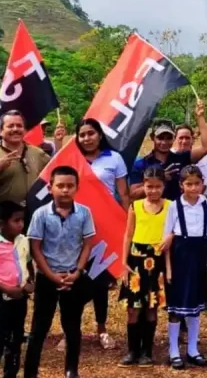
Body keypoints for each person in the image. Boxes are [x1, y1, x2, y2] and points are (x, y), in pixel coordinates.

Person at [0, 110, 51, 341]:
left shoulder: (37, 153)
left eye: (19, 125)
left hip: (28, 218)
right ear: (0, 130)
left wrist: (59, 142)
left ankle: (16, 326)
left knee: (22, 270)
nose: (15, 130)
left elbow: (52, 175)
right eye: (9, 126)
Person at [24, 166, 95, 378]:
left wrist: (78, 271)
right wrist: (50, 274)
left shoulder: (84, 212)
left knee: (72, 326)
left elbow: (87, 244)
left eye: (70, 186)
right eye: (60, 186)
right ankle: (30, 371)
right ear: (50, 187)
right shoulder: (41, 214)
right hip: (48, 278)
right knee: (39, 328)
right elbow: (35, 247)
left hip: (73, 278)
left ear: (77, 188)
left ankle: (71, 369)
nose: (65, 190)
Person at [72, 118, 130, 350]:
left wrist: (127, 226)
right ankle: (70, 329)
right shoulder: (72, 159)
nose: (87, 138)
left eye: (91, 133)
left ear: (99, 135)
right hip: (75, 228)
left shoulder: (114, 158)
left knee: (100, 281)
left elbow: (123, 194)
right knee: (74, 279)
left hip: (105, 229)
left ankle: (101, 328)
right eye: (82, 134)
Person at [118, 167, 169, 367]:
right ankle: (132, 350)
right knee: (133, 309)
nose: (153, 191)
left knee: (151, 308)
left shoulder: (170, 206)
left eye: (158, 187)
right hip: (136, 262)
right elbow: (128, 235)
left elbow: (172, 230)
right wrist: (124, 262)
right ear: (143, 185)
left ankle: (147, 351)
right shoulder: (136, 206)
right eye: (149, 186)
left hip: (157, 262)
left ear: (164, 186)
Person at [162, 166, 207, 370]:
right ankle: (173, 350)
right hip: (179, 257)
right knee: (176, 306)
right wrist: (169, 268)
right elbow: (166, 239)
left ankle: (192, 349)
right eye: (188, 184)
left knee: (195, 306)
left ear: (203, 184)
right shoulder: (174, 206)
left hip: (199, 257)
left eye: (196, 183)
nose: (193, 188)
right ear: (181, 185)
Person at [0, 201, 34, 378]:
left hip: (20, 299)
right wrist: (7, 289)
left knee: (15, 340)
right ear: (2, 223)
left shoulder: (24, 241)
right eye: (16, 221)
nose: (21, 224)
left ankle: (11, 373)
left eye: (22, 220)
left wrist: (30, 282)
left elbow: (28, 264)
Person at [131, 100, 207, 201]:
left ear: (174, 138)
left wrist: (200, 117)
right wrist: (159, 179)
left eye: (168, 138)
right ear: (152, 137)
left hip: (177, 212)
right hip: (153, 214)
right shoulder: (142, 164)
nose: (164, 142)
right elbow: (133, 194)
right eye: (160, 138)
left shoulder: (182, 158)